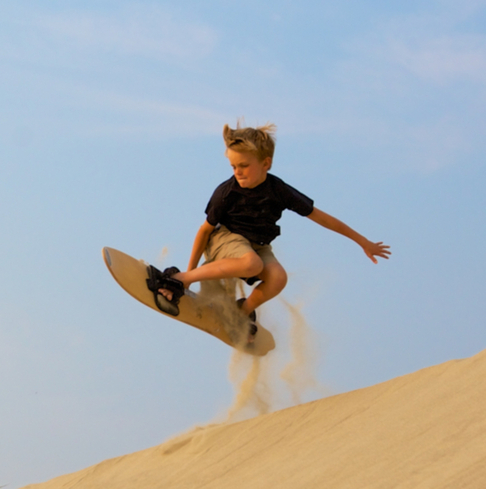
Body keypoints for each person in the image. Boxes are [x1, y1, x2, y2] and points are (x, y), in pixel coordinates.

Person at [151, 122, 391, 338]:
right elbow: (204, 232)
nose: (237, 171)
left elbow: (322, 218)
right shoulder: (226, 192)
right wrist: (188, 276)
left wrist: (363, 242)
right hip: (223, 240)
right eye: (233, 166)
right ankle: (176, 279)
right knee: (252, 263)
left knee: (278, 278)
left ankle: (241, 312)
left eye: (244, 165)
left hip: (257, 246)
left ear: (266, 163)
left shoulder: (279, 190)